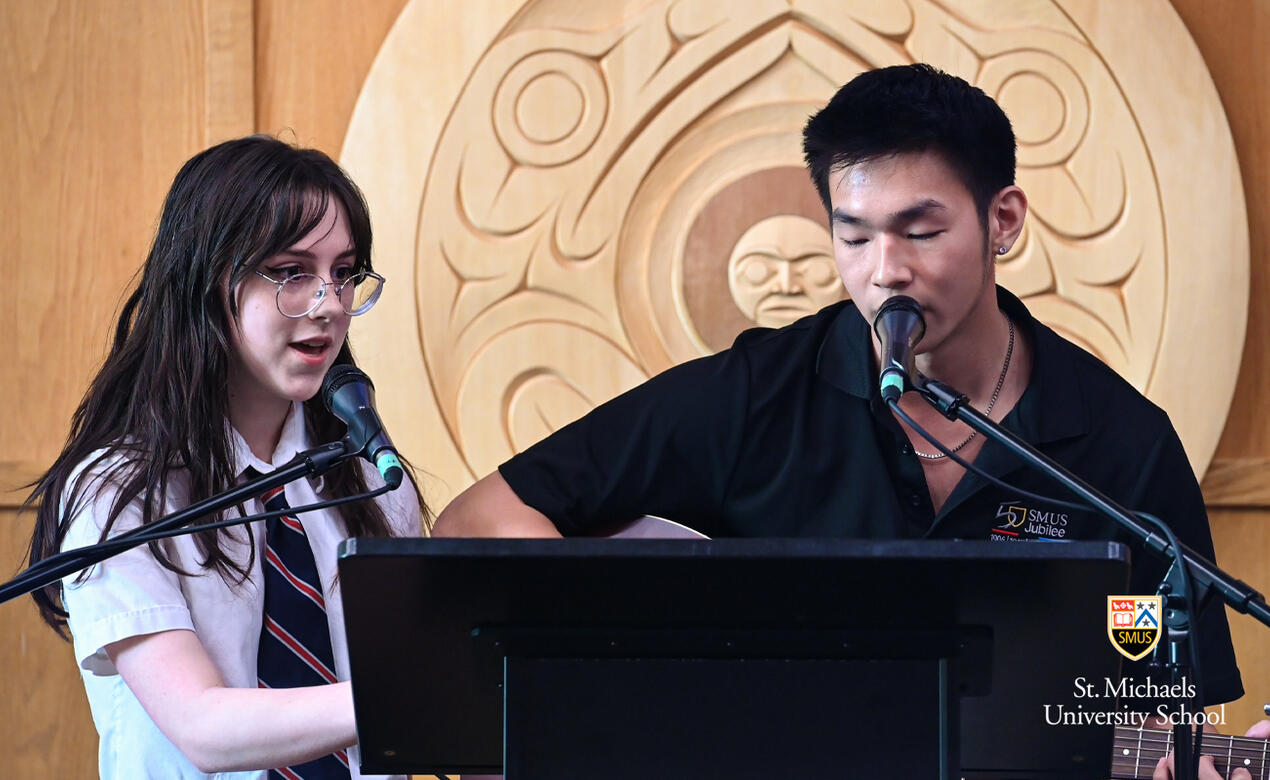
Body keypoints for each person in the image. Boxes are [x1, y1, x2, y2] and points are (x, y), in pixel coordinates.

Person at [434, 63, 1242, 707]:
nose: (885, 271)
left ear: (1003, 221)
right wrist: (633, 677)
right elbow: (475, 520)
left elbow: (1160, 710)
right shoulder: (758, 394)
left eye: (922, 232)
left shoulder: (1120, 440)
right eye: (853, 235)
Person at [22, 136, 427, 778]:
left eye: (345, 274)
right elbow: (205, 728)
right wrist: (430, 695)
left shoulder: (370, 476)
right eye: (293, 273)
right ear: (208, 281)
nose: (329, 305)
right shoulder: (121, 491)